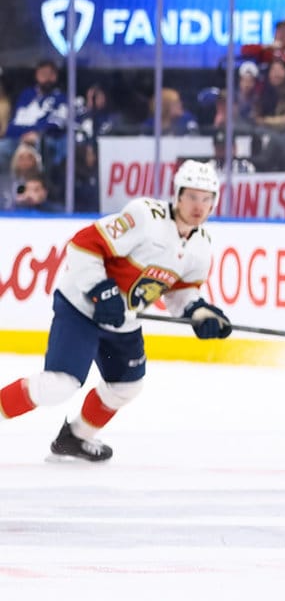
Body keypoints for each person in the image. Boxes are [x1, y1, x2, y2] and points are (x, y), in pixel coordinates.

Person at [0, 161, 233, 461]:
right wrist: (101, 290)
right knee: (59, 385)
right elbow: (84, 245)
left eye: (206, 198)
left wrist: (198, 312)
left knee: (126, 386)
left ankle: (75, 438)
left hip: (123, 321)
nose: (198, 206)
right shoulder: (145, 216)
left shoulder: (201, 247)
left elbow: (181, 292)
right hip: (81, 308)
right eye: (191, 196)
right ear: (177, 195)